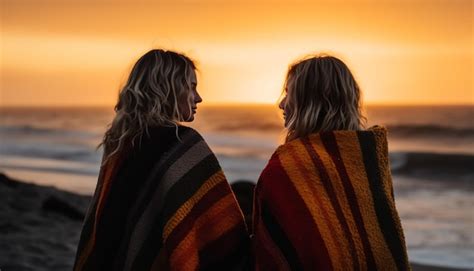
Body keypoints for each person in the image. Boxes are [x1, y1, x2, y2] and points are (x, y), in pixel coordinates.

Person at [73, 49, 249, 270]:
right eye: (191, 87)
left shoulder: (119, 141)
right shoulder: (182, 143)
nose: (198, 98)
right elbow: (221, 229)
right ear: (170, 89)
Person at [252, 55, 410, 270]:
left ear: (309, 101)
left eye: (289, 93)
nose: (281, 103)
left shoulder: (288, 167)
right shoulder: (366, 158)